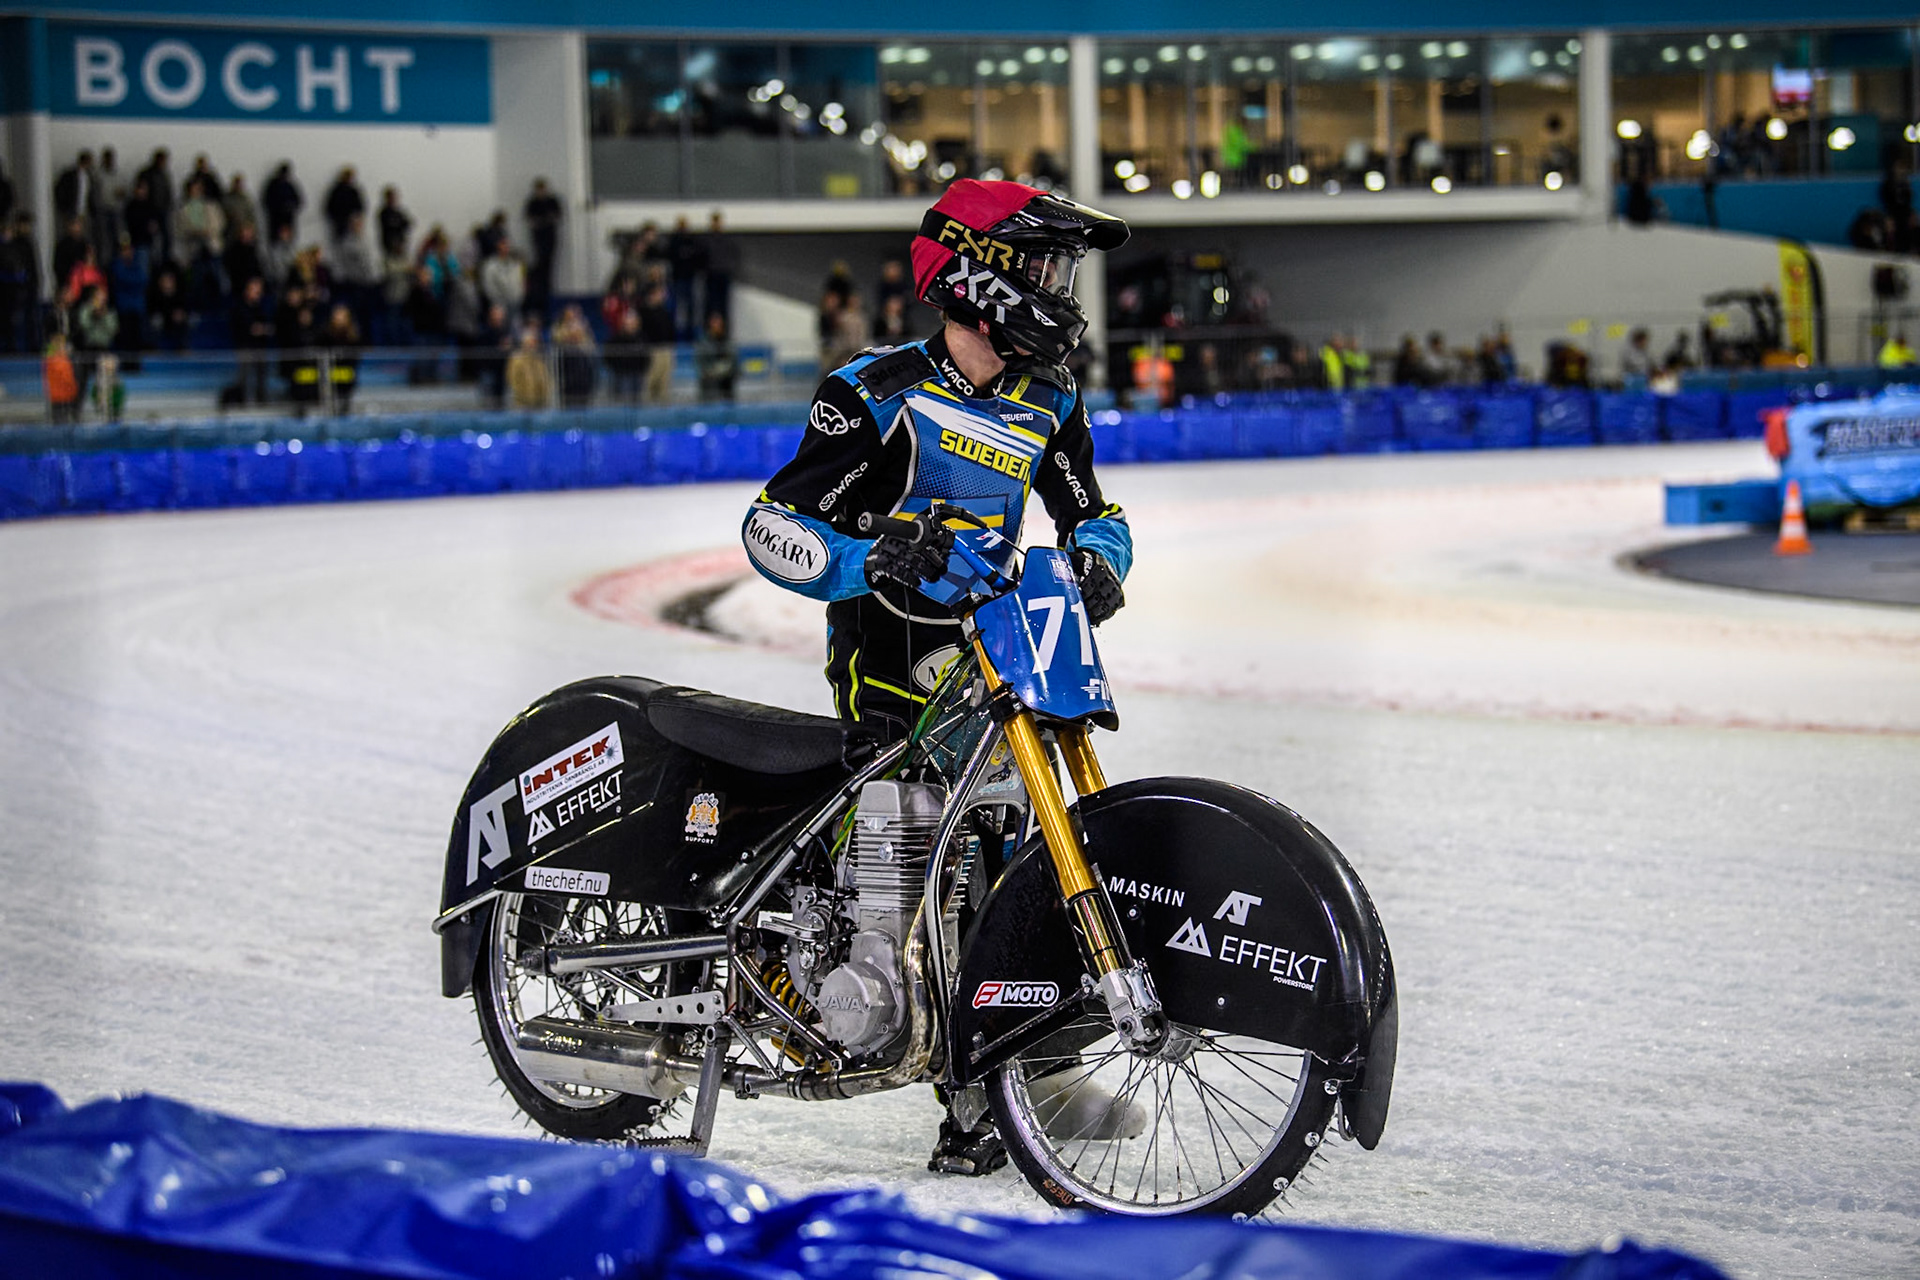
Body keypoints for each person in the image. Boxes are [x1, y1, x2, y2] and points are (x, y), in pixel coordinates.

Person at [739, 180, 1136, 1177]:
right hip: (889, 668)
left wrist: (1100, 559)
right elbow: (773, 526)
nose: (1064, 289)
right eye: (1047, 267)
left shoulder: (1050, 397)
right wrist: (869, 559)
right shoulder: (872, 390)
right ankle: (964, 1101)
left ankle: (1028, 1076)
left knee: (1023, 859)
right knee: (922, 870)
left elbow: (1091, 507)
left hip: (1003, 659)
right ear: (978, 277)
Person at [506, 323, 552, 408]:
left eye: (534, 342)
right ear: (524, 342)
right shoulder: (517, 359)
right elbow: (512, 379)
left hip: (539, 402)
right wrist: (522, 395)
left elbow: (545, 378)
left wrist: (545, 394)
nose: (533, 344)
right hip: (522, 403)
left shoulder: (539, 359)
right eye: (530, 342)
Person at [695, 311, 738, 401]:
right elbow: (701, 364)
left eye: (719, 323)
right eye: (715, 323)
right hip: (710, 378)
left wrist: (725, 368)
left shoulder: (727, 341)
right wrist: (714, 370)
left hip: (726, 377)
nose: (717, 326)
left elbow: (733, 360)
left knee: (729, 381)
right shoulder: (703, 343)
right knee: (710, 383)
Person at [43, 334, 80, 423]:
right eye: (65, 346)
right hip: (63, 396)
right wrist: (74, 390)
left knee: (59, 419)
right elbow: (67, 379)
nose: (68, 348)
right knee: (63, 421)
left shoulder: (50, 360)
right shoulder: (60, 361)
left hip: (56, 396)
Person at [263, 162, 303, 242]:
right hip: (276, 220)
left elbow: (299, 200)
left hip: (288, 219)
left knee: (288, 242)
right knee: (276, 242)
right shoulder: (272, 185)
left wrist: (291, 206)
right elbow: (267, 201)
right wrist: (279, 208)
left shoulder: (290, 185)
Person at [323, 167, 365, 242]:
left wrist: (356, 217)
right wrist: (335, 217)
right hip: (340, 221)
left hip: (352, 221)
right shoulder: (336, 190)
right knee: (340, 241)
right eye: (347, 176)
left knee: (354, 240)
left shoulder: (353, 191)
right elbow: (329, 207)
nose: (349, 178)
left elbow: (360, 207)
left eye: (350, 176)